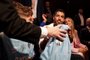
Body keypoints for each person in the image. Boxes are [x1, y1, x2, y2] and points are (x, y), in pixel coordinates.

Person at [0, 0, 66, 60]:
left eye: (62, 16)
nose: (32, 19)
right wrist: (47, 33)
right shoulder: (5, 38)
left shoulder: (33, 37)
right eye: (29, 19)